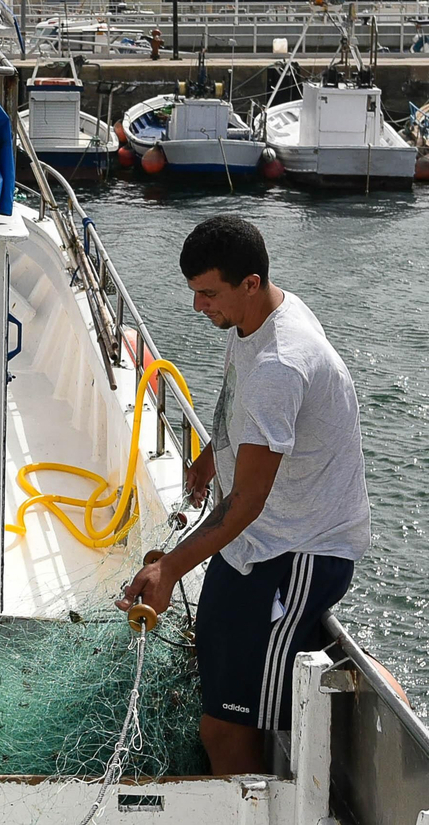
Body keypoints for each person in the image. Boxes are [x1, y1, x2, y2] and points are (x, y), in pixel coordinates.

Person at [118, 214, 371, 775]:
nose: (198, 307)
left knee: (225, 727)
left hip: (299, 551)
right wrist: (212, 456)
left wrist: (171, 569)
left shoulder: (281, 364)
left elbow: (249, 501)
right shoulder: (256, 320)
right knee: (212, 668)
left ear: (250, 283)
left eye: (209, 294)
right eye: (194, 293)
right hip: (253, 543)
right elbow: (240, 408)